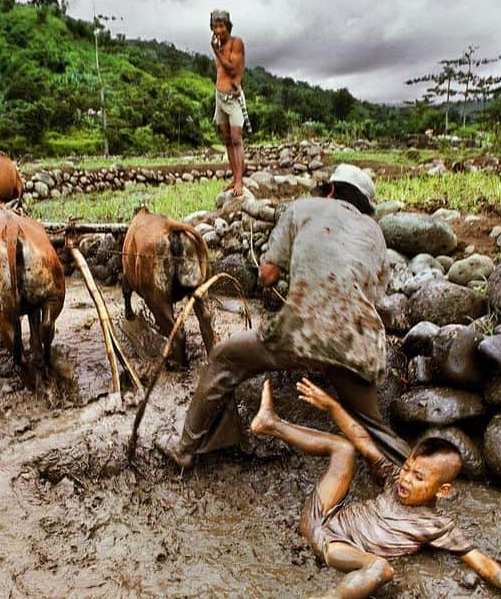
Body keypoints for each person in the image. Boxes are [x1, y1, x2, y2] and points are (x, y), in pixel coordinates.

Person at [250, 376, 501, 599]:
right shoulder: (392, 479)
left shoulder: (437, 526)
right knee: (345, 448)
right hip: (320, 515)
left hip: (336, 545)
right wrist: (331, 406)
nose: (405, 479)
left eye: (418, 477)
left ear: (443, 490)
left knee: (380, 567)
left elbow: (481, 562)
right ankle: (271, 423)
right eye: (407, 469)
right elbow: (363, 440)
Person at [164, 163, 408, 468]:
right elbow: (372, 295)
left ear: (330, 191)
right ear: (363, 204)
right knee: (374, 426)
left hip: (302, 331)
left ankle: (186, 451)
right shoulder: (374, 231)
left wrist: (286, 274)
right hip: (360, 343)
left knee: (224, 358)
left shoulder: (302, 207)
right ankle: (414, 472)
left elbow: (267, 274)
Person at [209, 9, 248, 197]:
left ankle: (240, 180)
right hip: (219, 97)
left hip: (232, 99)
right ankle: (234, 178)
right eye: (215, 26)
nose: (219, 30)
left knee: (236, 139)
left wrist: (216, 52)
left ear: (228, 26)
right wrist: (217, 50)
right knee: (226, 140)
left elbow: (232, 70)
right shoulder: (219, 45)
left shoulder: (236, 43)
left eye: (221, 25)